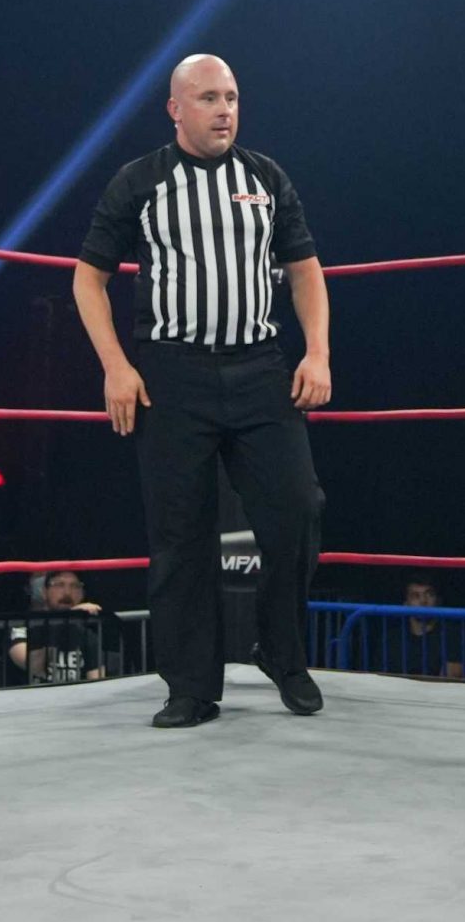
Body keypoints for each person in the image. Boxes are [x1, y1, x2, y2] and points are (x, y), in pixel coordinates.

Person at [73, 53, 329, 729]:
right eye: (210, 97)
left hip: (260, 369)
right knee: (180, 532)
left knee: (298, 509)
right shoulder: (140, 180)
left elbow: (305, 269)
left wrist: (318, 352)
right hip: (172, 374)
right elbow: (88, 278)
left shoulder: (265, 177)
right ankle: (190, 686)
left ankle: (281, 651)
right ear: (175, 108)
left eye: (232, 97)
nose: (225, 110)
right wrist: (115, 365)